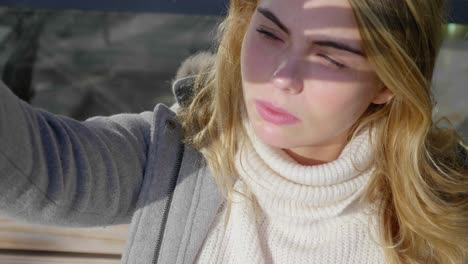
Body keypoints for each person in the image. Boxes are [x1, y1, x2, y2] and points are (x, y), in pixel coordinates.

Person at [0, 0, 467, 263]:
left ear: (388, 82)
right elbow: (40, 170)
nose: (281, 76)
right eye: (269, 33)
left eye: (329, 55)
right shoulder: (176, 155)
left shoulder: (448, 217)